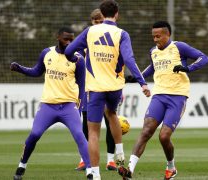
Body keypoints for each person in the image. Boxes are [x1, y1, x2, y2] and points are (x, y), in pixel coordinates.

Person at [64, 1, 151, 179]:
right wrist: (142, 83)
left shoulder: (90, 31)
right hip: (115, 87)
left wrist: (74, 58)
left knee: (93, 131)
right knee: (112, 114)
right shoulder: (122, 34)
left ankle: (95, 174)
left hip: (95, 87)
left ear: (102, 14)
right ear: (116, 14)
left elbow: (69, 51)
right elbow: (129, 59)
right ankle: (119, 153)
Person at [118, 21, 208, 180]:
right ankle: (130, 170)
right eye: (153, 36)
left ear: (168, 35)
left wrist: (187, 68)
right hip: (159, 95)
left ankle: (171, 168)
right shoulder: (153, 51)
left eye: (158, 36)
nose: (155, 39)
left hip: (178, 96)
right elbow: (153, 67)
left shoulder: (179, 47)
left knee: (164, 136)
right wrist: (137, 77)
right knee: (146, 130)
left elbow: (204, 58)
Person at [10, 27, 93, 180]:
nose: (69, 43)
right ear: (58, 37)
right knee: (34, 134)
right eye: (65, 39)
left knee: (79, 135)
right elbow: (36, 71)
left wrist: (79, 107)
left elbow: (82, 86)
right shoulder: (46, 53)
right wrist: (19, 68)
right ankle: (22, 165)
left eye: (71, 40)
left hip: (68, 106)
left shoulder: (78, 59)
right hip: (48, 105)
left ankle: (90, 171)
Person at [75, 8, 118, 172]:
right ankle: (84, 159)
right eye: (96, 22)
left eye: (101, 21)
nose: (99, 24)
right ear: (92, 22)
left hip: (110, 87)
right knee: (87, 126)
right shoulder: (86, 41)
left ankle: (111, 160)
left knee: (110, 122)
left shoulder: (113, 39)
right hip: (90, 89)